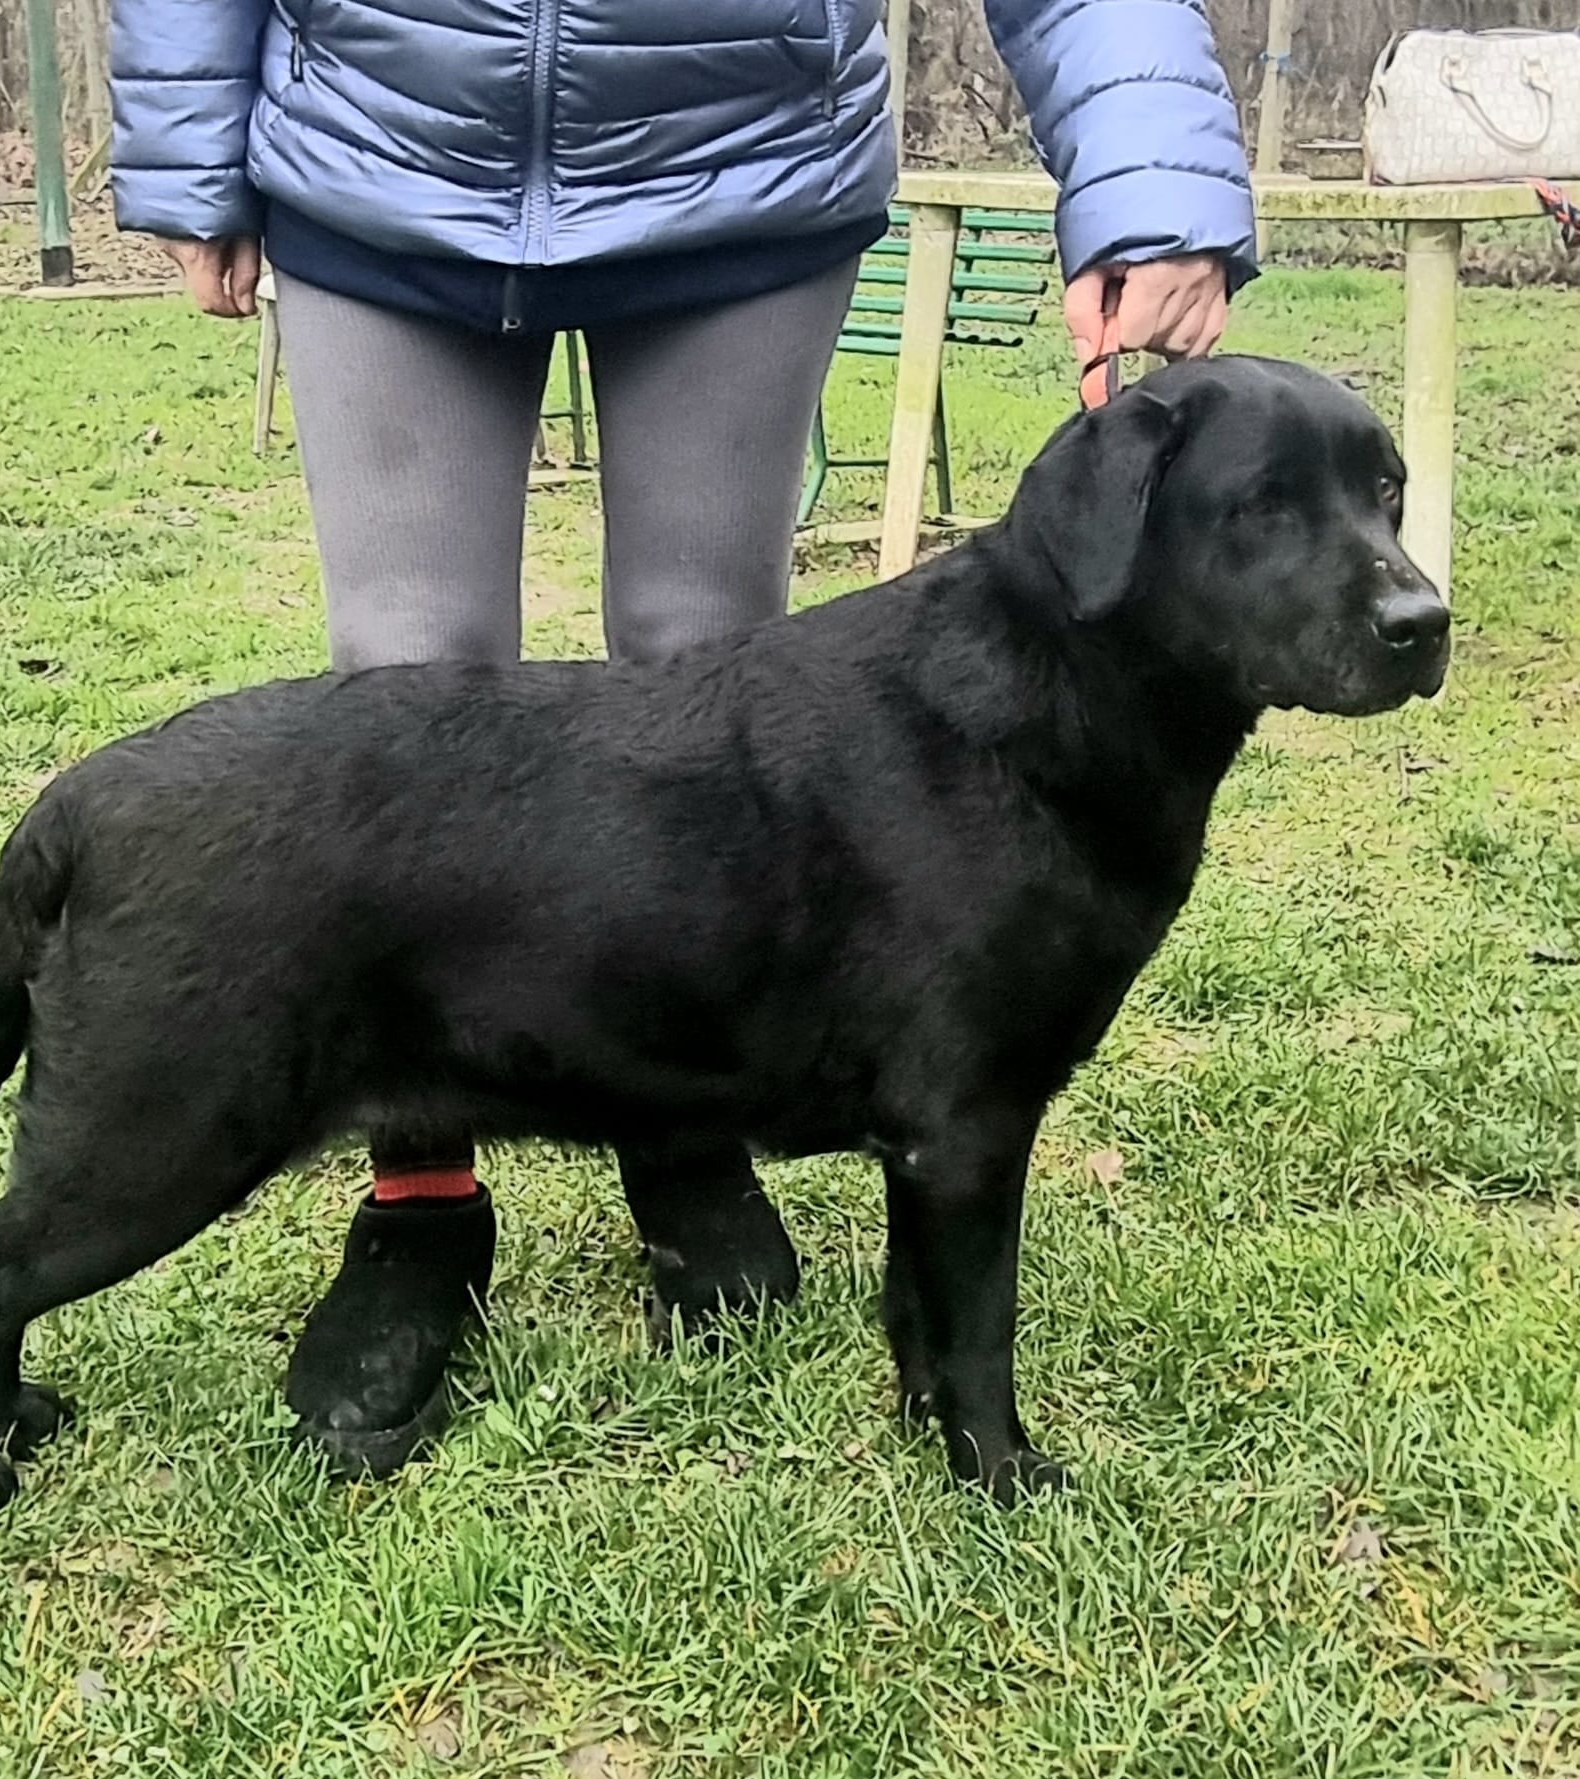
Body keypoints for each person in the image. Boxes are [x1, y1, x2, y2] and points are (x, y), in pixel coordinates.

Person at [108, 0, 1258, 1477]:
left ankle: (686, 1136)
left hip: (737, 146)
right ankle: (421, 1198)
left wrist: (1154, 174)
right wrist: (195, 140)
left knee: (714, 692)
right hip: (389, 141)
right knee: (407, 692)